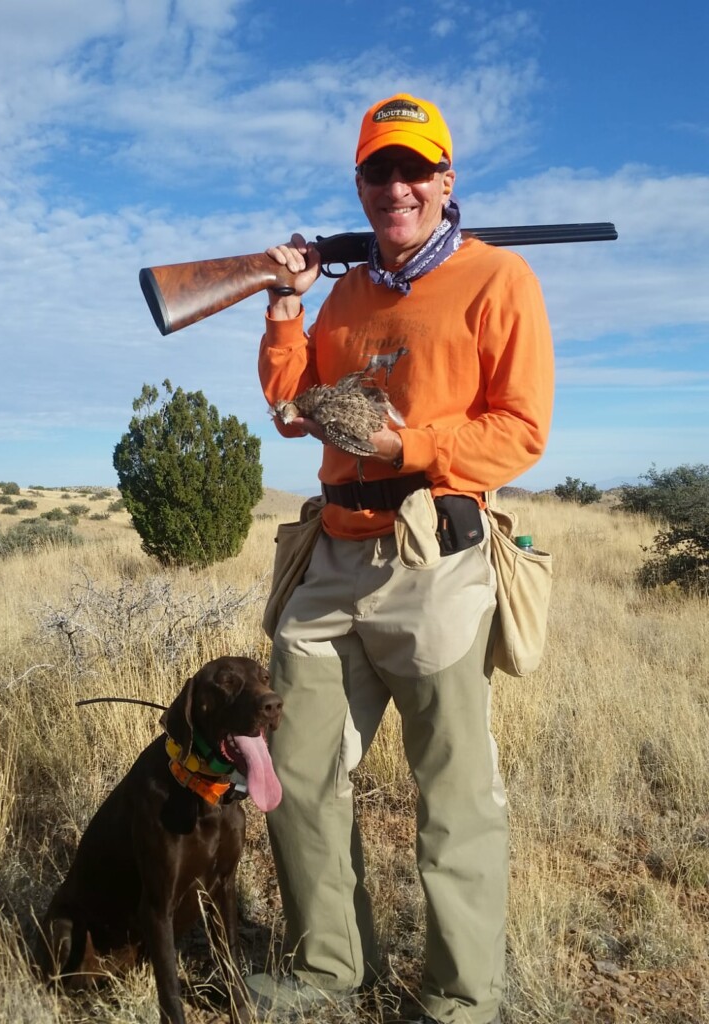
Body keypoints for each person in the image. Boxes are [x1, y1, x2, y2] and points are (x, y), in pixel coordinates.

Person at [246, 92, 554, 1024]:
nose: (398, 186)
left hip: (434, 561)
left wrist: (407, 448)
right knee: (292, 775)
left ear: (446, 180)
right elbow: (293, 406)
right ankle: (327, 965)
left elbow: (522, 431)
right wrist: (287, 308)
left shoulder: (500, 280)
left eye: (416, 168)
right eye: (380, 169)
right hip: (330, 559)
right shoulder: (345, 291)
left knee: (453, 794)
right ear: (361, 183)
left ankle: (461, 998)